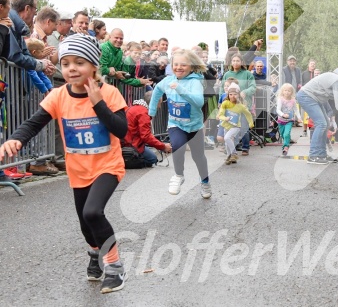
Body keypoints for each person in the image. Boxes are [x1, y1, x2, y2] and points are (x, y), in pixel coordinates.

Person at [0, 34, 129, 293]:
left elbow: (122, 130)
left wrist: (98, 103)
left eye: (79, 63)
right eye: (66, 62)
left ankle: (114, 267)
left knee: (93, 213)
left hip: (107, 166)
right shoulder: (58, 96)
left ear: (93, 66)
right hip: (78, 170)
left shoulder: (109, 93)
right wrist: (15, 139)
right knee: (85, 224)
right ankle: (95, 253)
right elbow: (33, 123)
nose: (71, 68)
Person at [149, 49, 211, 198]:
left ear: (191, 66)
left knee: (199, 157)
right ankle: (178, 175)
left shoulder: (195, 82)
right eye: (175, 64)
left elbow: (198, 102)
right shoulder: (168, 80)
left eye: (183, 65)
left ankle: (205, 181)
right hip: (176, 124)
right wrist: (151, 112)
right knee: (177, 146)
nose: (179, 67)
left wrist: (181, 90)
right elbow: (157, 89)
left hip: (194, 126)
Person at [297, 68, 338, 165]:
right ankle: (313, 155)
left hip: (315, 98)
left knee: (326, 124)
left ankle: (321, 154)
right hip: (306, 96)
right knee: (321, 124)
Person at [221, 53, 256, 156]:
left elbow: (253, 87)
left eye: (238, 61)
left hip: (243, 105)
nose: (235, 63)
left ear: (241, 62)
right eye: (234, 61)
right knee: (230, 126)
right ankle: (232, 147)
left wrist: (245, 92)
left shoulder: (247, 74)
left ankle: (245, 147)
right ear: (231, 62)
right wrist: (221, 102)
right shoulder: (227, 74)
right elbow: (222, 88)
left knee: (243, 126)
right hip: (230, 106)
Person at [124, 91, 172, 166]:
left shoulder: (134, 108)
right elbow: (146, 136)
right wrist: (163, 146)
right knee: (152, 159)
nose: (159, 107)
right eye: (159, 103)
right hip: (131, 145)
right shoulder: (143, 113)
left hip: (127, 142)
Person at [218, 84, 254, 165]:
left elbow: (248, 114)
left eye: (235, 94)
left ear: (238, 95)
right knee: (227, 142)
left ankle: (234, 153)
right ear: (228, 95)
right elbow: (220, 114)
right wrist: (225, 118)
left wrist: (251, 123)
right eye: (230, 94)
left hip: (236, 126)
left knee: (227, 138)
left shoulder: (240, 106)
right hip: (226, 125)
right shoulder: (225, 103)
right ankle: (229, 156)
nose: (233, 96)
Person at [276, 83, 302, 156]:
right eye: (285, 90)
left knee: (287, 133)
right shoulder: (280, 99)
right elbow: (278, 110)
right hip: (281, 120)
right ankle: (286, 142)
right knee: (283, 135)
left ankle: (286, 147)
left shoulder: (293, 100)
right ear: (282, 91)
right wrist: (283, 114)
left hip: (289, 120)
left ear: (292, 92)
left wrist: (299, 118)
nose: (287, 92)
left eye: (289, 91)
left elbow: (296, 110)